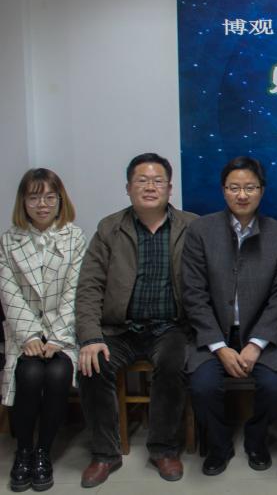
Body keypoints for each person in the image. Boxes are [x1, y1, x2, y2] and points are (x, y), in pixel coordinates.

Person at [75, 153, 197, 487]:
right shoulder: (109, 228)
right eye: (141, 180)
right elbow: (89, 287)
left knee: (173, 364)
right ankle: (105, 453)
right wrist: (90, 337)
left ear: (170, 188)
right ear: (128, 188)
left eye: (158, 181)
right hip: (120, 329)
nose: (150, 187)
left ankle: (163, 449)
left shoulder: (191, 226)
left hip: (171, 327)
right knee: (92, 365)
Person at [181, 156, 277, 475]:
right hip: (212, 334)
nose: (242, 195)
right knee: (202, 387)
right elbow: (193, 294)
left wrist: (256, 344)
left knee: (274, 386)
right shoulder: (200, 231)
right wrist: (219, 347)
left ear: (262, 190)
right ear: (223, 190)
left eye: (250, 187)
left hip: (261, 334)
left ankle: (256, 439)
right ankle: (218, 445)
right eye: (234, 188)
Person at [0, 169, 85, 491]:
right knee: (30, 373)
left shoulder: (74, 237)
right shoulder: (8, 240)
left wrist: (59, 337)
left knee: (59, 373)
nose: (42, 204)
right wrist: (31, 336)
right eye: (34, 197)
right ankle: (23, 451)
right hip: (23, 331)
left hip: (64, 329)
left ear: (60, 200)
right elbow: (9, 292)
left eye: (50, 197)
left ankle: (43, 453)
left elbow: (75, 291)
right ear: (23, 201)